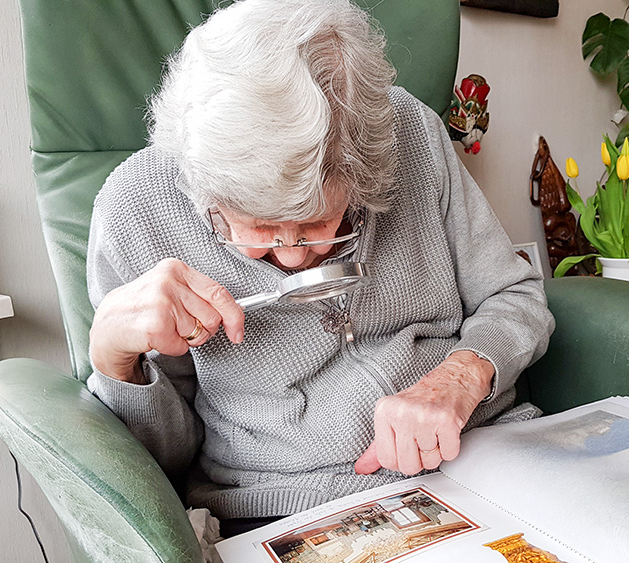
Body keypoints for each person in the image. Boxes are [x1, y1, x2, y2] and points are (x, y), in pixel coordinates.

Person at [85, 0, 554, 533]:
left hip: (483, 457)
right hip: (290, 508)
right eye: (257, 229)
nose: (288, 257)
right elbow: (161, 460)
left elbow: (513, 295)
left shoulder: (410, 136)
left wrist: (462, 376)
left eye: (315, 226)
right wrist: (114, 358)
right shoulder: (135, 208)